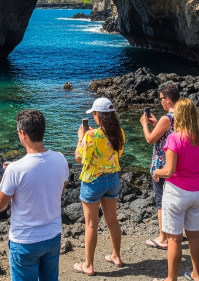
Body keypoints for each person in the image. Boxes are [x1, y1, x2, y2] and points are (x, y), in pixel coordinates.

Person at [0, 109, 70, 281]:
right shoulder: (61, 159)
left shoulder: (16, 169)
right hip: (52, 236)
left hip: (25, 242)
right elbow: (58, 193)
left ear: (23, 134)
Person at [153, 99, 199, 281]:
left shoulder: (174, 138)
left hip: (177, 192)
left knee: (174, 239)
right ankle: (197, 274)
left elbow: (169, 170)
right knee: (194, 235)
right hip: (198, 191)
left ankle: (171, 278)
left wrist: (157, 172)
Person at [73, 97, 125, 275]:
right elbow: (117, 154)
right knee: (112, 220)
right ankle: (116, 256)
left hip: (93, 181)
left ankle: (88, 265)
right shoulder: (119, 132)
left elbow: (80, 159)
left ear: (98, 115)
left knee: (91, 225)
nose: (93, 116)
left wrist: (81, 139)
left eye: (94, 113)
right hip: (113, 179)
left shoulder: (91, 135)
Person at [140, 83, 179, 250]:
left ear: (168, 99)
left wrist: (144, 124)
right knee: (174, 200)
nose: (160, 102)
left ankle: (163, 237)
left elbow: (150, 140)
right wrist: (157, 124)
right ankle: (176, 233)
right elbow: (168, 135)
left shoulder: (167, 118)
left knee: (161, 201)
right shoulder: (183, 115)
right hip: (177, 162)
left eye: (162, 99)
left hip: (162, 164)